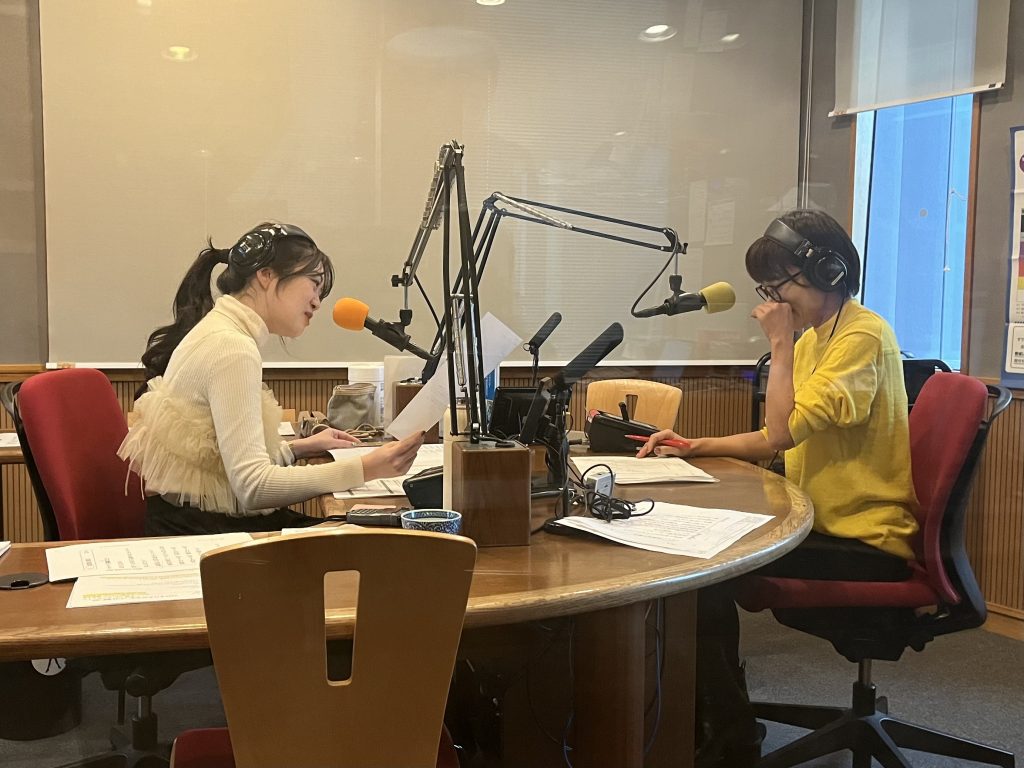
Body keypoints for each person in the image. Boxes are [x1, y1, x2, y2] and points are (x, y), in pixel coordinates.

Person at [637, 209, 919, 767]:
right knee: (698, 568)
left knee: (702, 578)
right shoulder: (817, 338)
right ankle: (715, 716)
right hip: (820, 520)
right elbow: (773, 437)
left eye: (778, 285)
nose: (772, 301)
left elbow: (783, 430)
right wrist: (694, 445)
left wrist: (781, 344)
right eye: (766, 290)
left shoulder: (862, 336)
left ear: (830, 272)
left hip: (865, 536)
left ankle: (731, 732)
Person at [119, 222, 424, 536]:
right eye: (314, 283)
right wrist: (367, 467)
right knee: (383, 539)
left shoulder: (221, 331)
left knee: (368, 534)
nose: (317, 302)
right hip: (204, 534)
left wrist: (298, 448)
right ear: (265, 275)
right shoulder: (231, 347)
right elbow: (253, 487)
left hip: (196, 522)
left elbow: (222, 465)